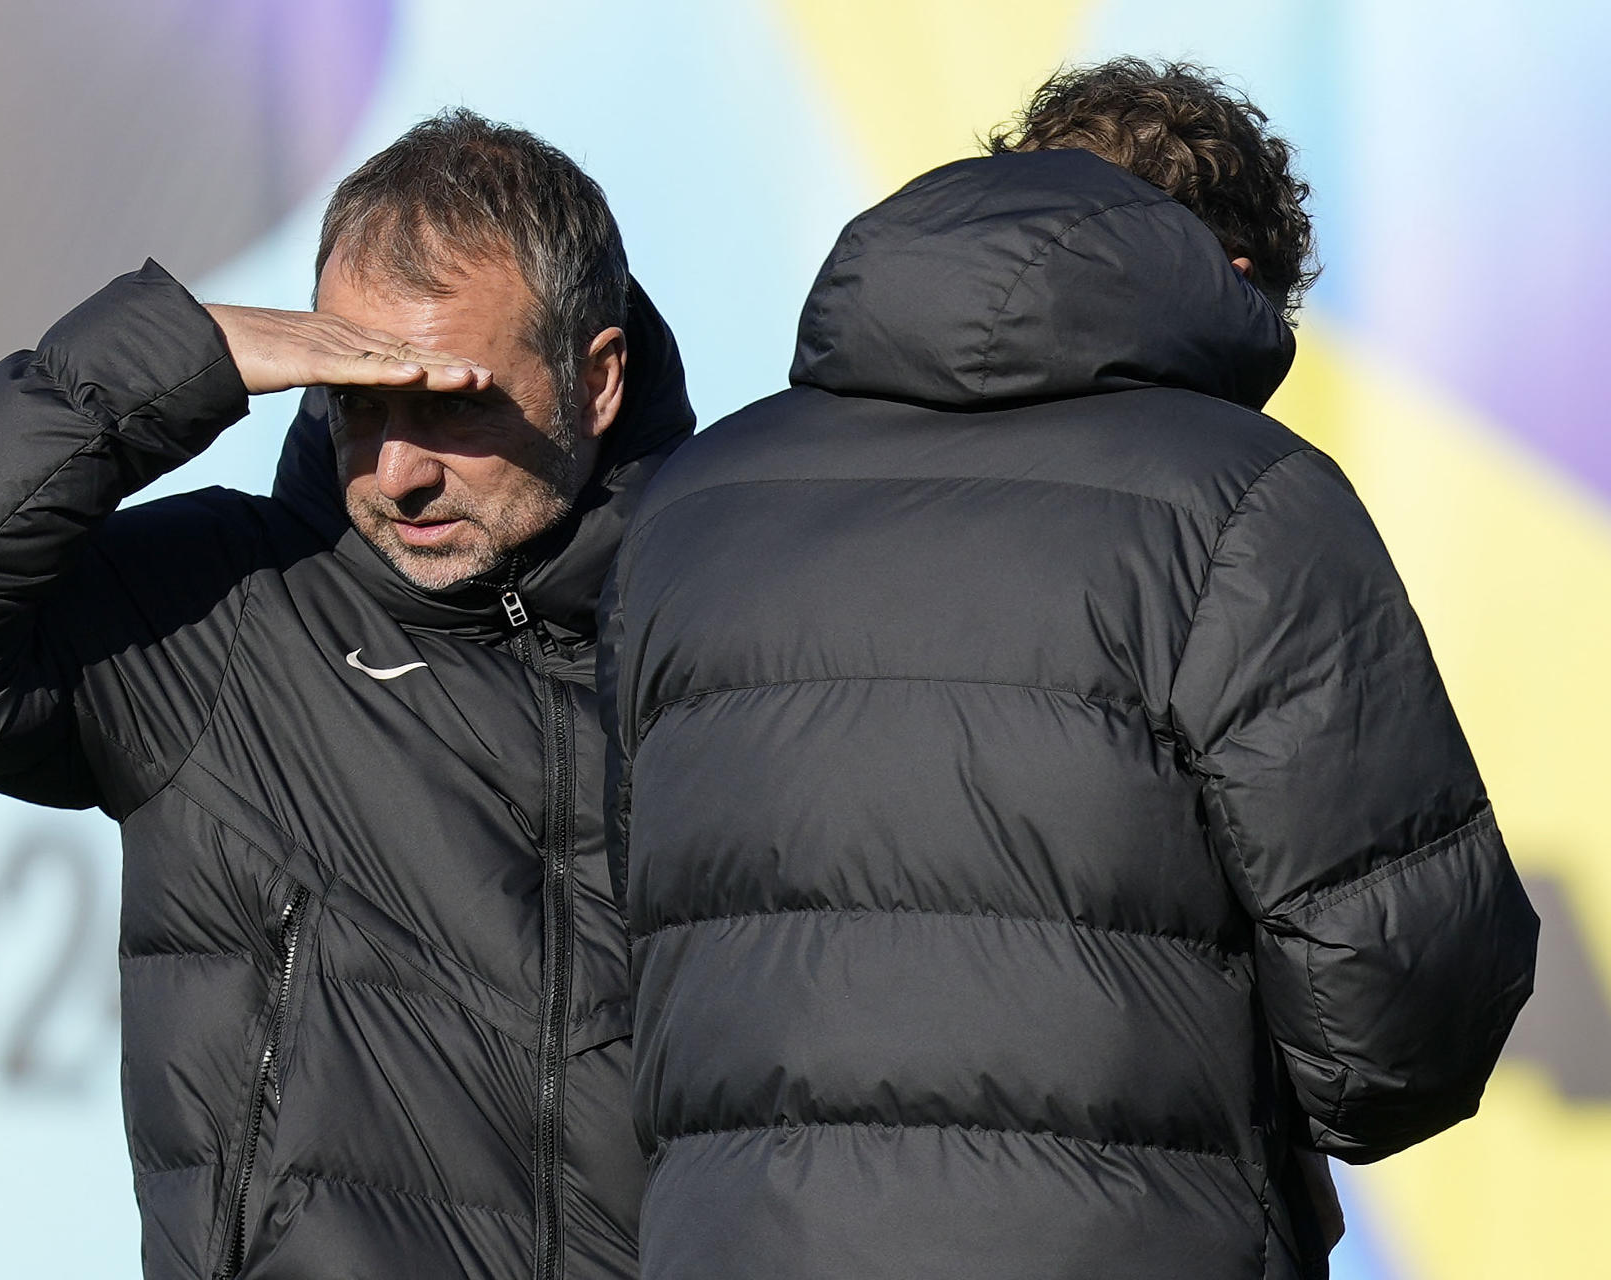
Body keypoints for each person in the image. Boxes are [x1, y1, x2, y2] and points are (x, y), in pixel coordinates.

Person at [599, 60, 1538, 1279]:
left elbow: (629, 921)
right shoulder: (1247, 499)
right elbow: (1399, 1011)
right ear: (1233, 281)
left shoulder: (693, 507)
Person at [0, 110, 693, 1280]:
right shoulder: (226, 605)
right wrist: (172, 353)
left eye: (453, 401)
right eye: (361, 398)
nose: (401, 472)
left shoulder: (729, 625)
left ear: (598, 378)